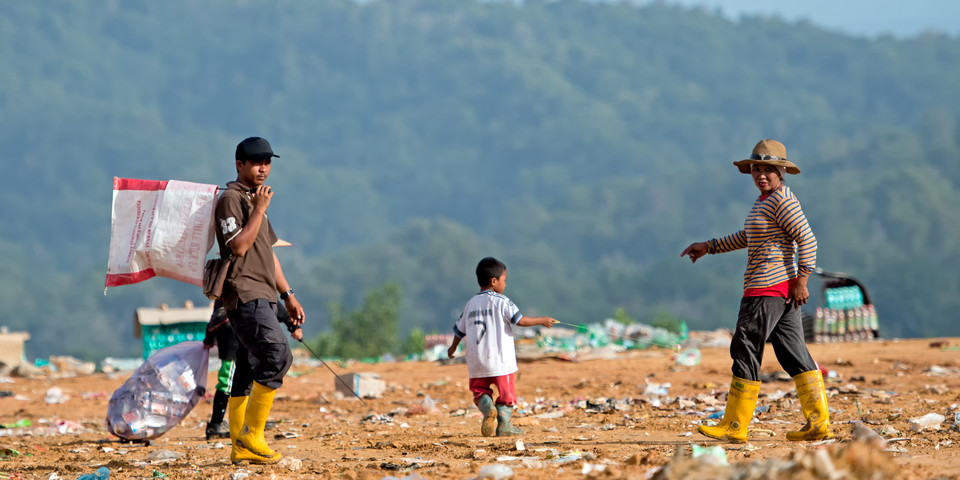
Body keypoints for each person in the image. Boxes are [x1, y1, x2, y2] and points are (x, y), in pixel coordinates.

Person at [681, 139, 832, 443]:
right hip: (781, 291)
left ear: (781, 172)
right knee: (793, 354)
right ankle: (819, 422)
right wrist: (709, 246)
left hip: (766, 288)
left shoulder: (782, 201)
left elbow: (809, 241)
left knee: (746, 347)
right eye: (756, 169)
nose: (761, 175)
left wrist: (802, 281)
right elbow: (747, 237)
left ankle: (735, 425)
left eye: (768, 170)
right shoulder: (766, 201)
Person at [214, 136, 305, 464]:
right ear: (239, 165)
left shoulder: (254, 202)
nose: (263, 168)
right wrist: (260, 209)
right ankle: (253, 432)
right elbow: (238, 247)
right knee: (277, 355)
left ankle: (240, 448)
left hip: (265, 294)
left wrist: (289, 295)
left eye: (267, 162)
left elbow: (268, 253)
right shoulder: (231, 200)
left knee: (248, 367)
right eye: (256, 162)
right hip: (245, 293)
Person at [447, 257, 557, 437]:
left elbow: (459, 330)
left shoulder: (470, 304)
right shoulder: (502, 301)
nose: (505, 284)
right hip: (501, 360)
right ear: (494, 281)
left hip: (476, 361)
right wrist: (542, 320)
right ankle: (504, 426)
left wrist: (452, 348)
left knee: (479, 390)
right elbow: (520, 320)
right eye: (504, 280)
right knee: (506, 394)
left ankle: (487, 406)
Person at [202, 297, 301, 441]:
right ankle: (216, 423)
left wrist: (209, 337)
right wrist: (292, 325)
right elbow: (267, 299)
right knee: (228, 379)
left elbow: (217, 310)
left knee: (247, 375)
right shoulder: (249, 280)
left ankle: (247, 421)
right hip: (231, 330)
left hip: (236, 326)